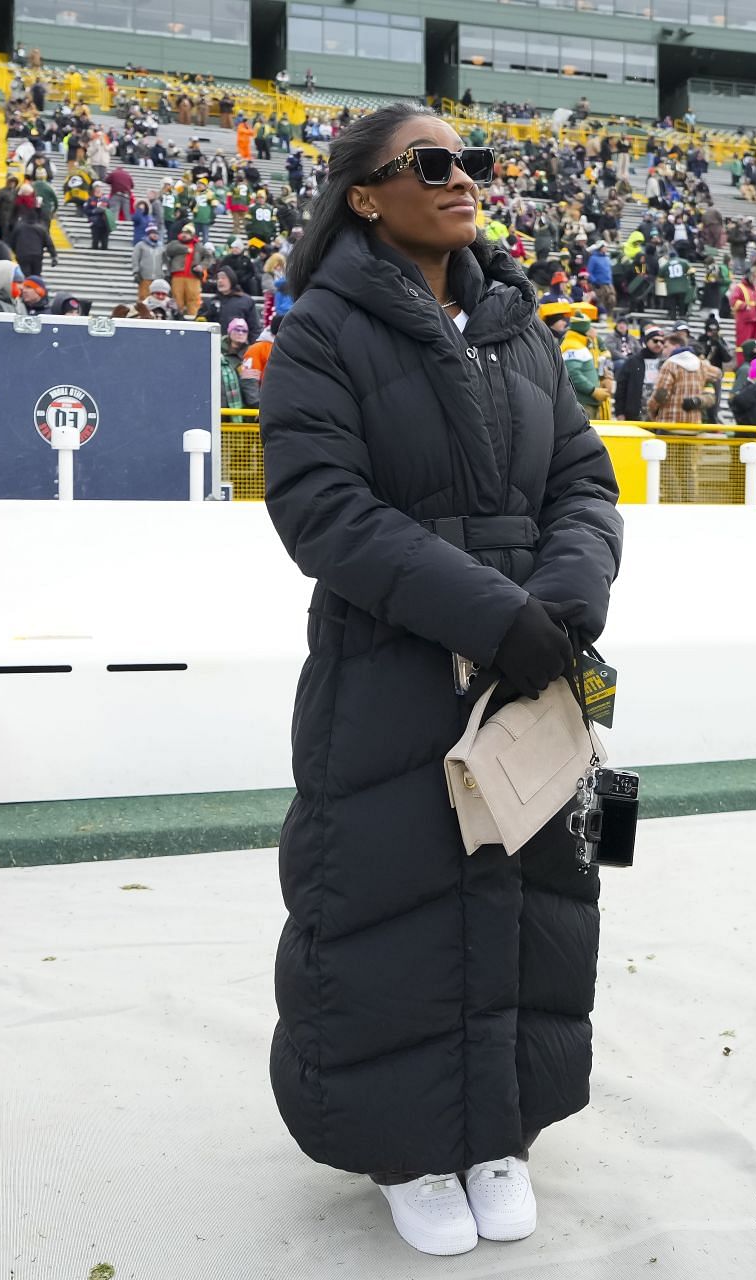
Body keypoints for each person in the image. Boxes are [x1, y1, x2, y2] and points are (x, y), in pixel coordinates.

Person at [257, 103, 621, 1259]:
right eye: (432, 162)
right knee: (385, 905)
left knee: (531, 901)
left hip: (534, 664)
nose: (463, 178)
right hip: (389, 674)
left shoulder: (519, 325)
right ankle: (406, 1145)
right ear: (366, 194)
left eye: (472, 161)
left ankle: (499, 1128)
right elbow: (325, 511)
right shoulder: (319, 330)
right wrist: (491, 613)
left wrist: (562, 606)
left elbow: (582, 479)